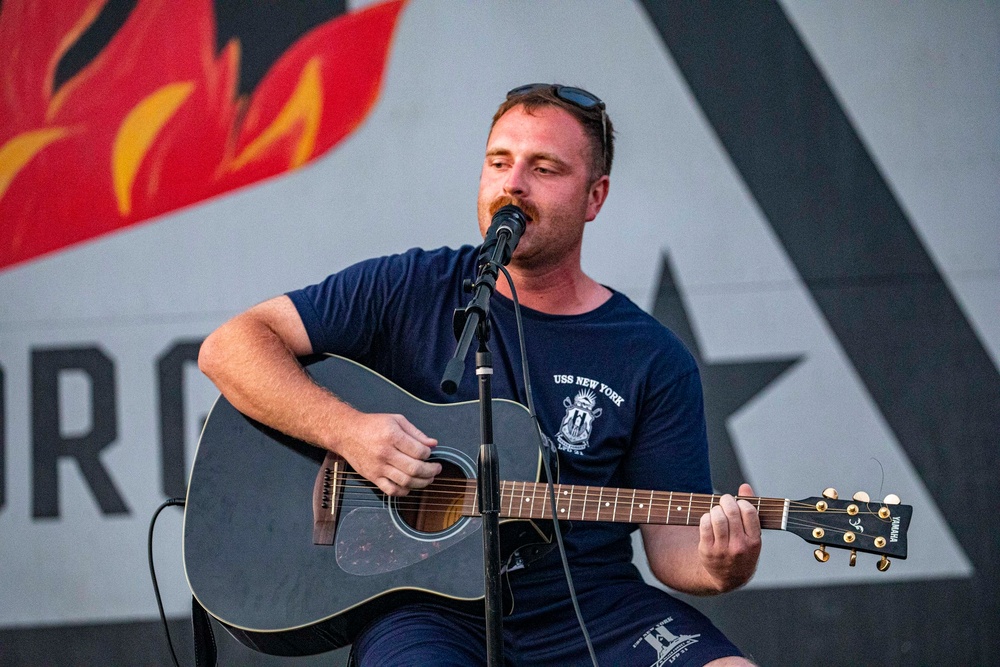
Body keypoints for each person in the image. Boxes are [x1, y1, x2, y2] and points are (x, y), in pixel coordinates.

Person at [199, 83, 761, 666]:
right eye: (499, 162)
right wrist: (347, 432)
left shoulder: (652, 356)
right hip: (424, 610)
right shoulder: (410, 286)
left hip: (592, 608)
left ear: (595, 197)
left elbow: (673, 547)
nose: (513, 183)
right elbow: (230, 347)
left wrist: (726, 562)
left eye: (544, 168)